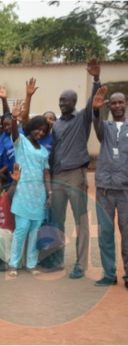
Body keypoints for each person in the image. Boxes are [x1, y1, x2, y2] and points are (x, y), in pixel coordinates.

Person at [46, 57, 101, 278]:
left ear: (74, 101)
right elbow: (53, 150)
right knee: (57, 220)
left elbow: (93, 102)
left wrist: (96, 79)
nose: (61, 103)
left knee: (81, 220)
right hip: (58, 177)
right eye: (59, 100)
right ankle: (58, 260)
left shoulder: (83, 118)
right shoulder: (57, 124)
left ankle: (80, 264)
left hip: (76, 175)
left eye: (65, 100)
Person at [7, 101, 51, 277]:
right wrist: (14, 118)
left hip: (38, 195)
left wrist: (49, 193)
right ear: (31, 127)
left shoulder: (44, 151)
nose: (40, 133)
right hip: (22, 193)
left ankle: (31, 264)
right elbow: (14, 131)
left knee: (34, 232)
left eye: (44, 131)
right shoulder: (21, 142)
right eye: (38, 129)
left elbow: (46, 173)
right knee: (21, 229)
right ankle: (13, 264)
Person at [92, 87, 128, 289]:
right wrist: (96, 111)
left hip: (125, 189)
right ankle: (109, 273)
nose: (116, 106)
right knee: (105, 232)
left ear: (126, 104)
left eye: (120, 102)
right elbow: (96, 124)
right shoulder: (105, 127)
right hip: (105, 188)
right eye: (113, 103)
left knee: (127, 233)